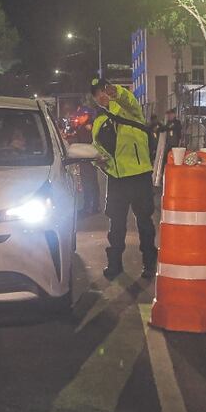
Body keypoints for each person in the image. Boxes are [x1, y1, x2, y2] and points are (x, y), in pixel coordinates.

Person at [90, 78, 158, 279]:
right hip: (117, 180)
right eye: (97, 94)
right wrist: (99, 162)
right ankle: (114, 265)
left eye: (103, 90)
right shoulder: (99, 122)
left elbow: (128, 100)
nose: (101, 95)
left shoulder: (131, 111)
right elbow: (96, 148)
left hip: (139, 176)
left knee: (145, 223)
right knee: (116, 225)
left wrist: (116, 92)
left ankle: (149, 264)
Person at [70, 109, 101, 215]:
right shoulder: (86, 126)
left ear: (85, 116)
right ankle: (92, 206)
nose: (79, 118)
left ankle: (90, 207)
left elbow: (84, 143)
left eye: (80, 116)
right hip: (88, 159)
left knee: (89, 184)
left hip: (87, 159)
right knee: (90, 183)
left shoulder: (87, 128)